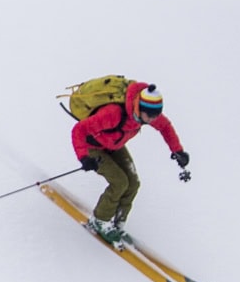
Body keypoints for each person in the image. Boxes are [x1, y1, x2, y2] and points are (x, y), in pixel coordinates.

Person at [71, 79, 189, 243]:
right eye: (150, 116)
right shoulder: (113, 114)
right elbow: (79, 130)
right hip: (93, 147)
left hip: (113, 144)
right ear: (138, 108)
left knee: (133, 183)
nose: (152, 120)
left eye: (156, 116)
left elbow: (165, 127)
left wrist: (178, 151)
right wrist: (84, 157)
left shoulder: (147, 113)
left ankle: (118, 223)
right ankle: (99, 221)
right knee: (119, 182)